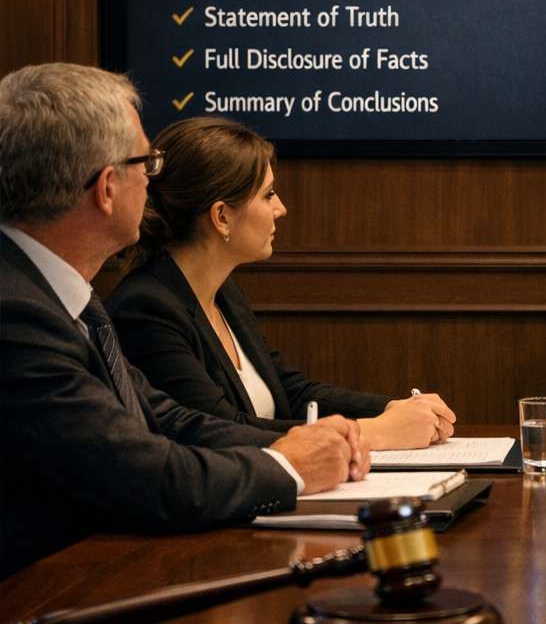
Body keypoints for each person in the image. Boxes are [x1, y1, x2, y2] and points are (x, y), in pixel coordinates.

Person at [0, 63, 366, 580]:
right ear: (107, 188)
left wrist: (306, 447)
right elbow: (149, 480)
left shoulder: (61, 297)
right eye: (146, 161)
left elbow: (167, 419)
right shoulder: (16, 316)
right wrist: (289, 467)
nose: (155, 179)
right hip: (41, 603)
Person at [104, 117, 455, 448]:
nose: (281, 208)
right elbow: (216, 430)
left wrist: (393, 410)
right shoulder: (146, 310)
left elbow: (291, 393)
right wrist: (372, 432)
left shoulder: (225, 293)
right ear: (222, 216)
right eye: (268, 195)